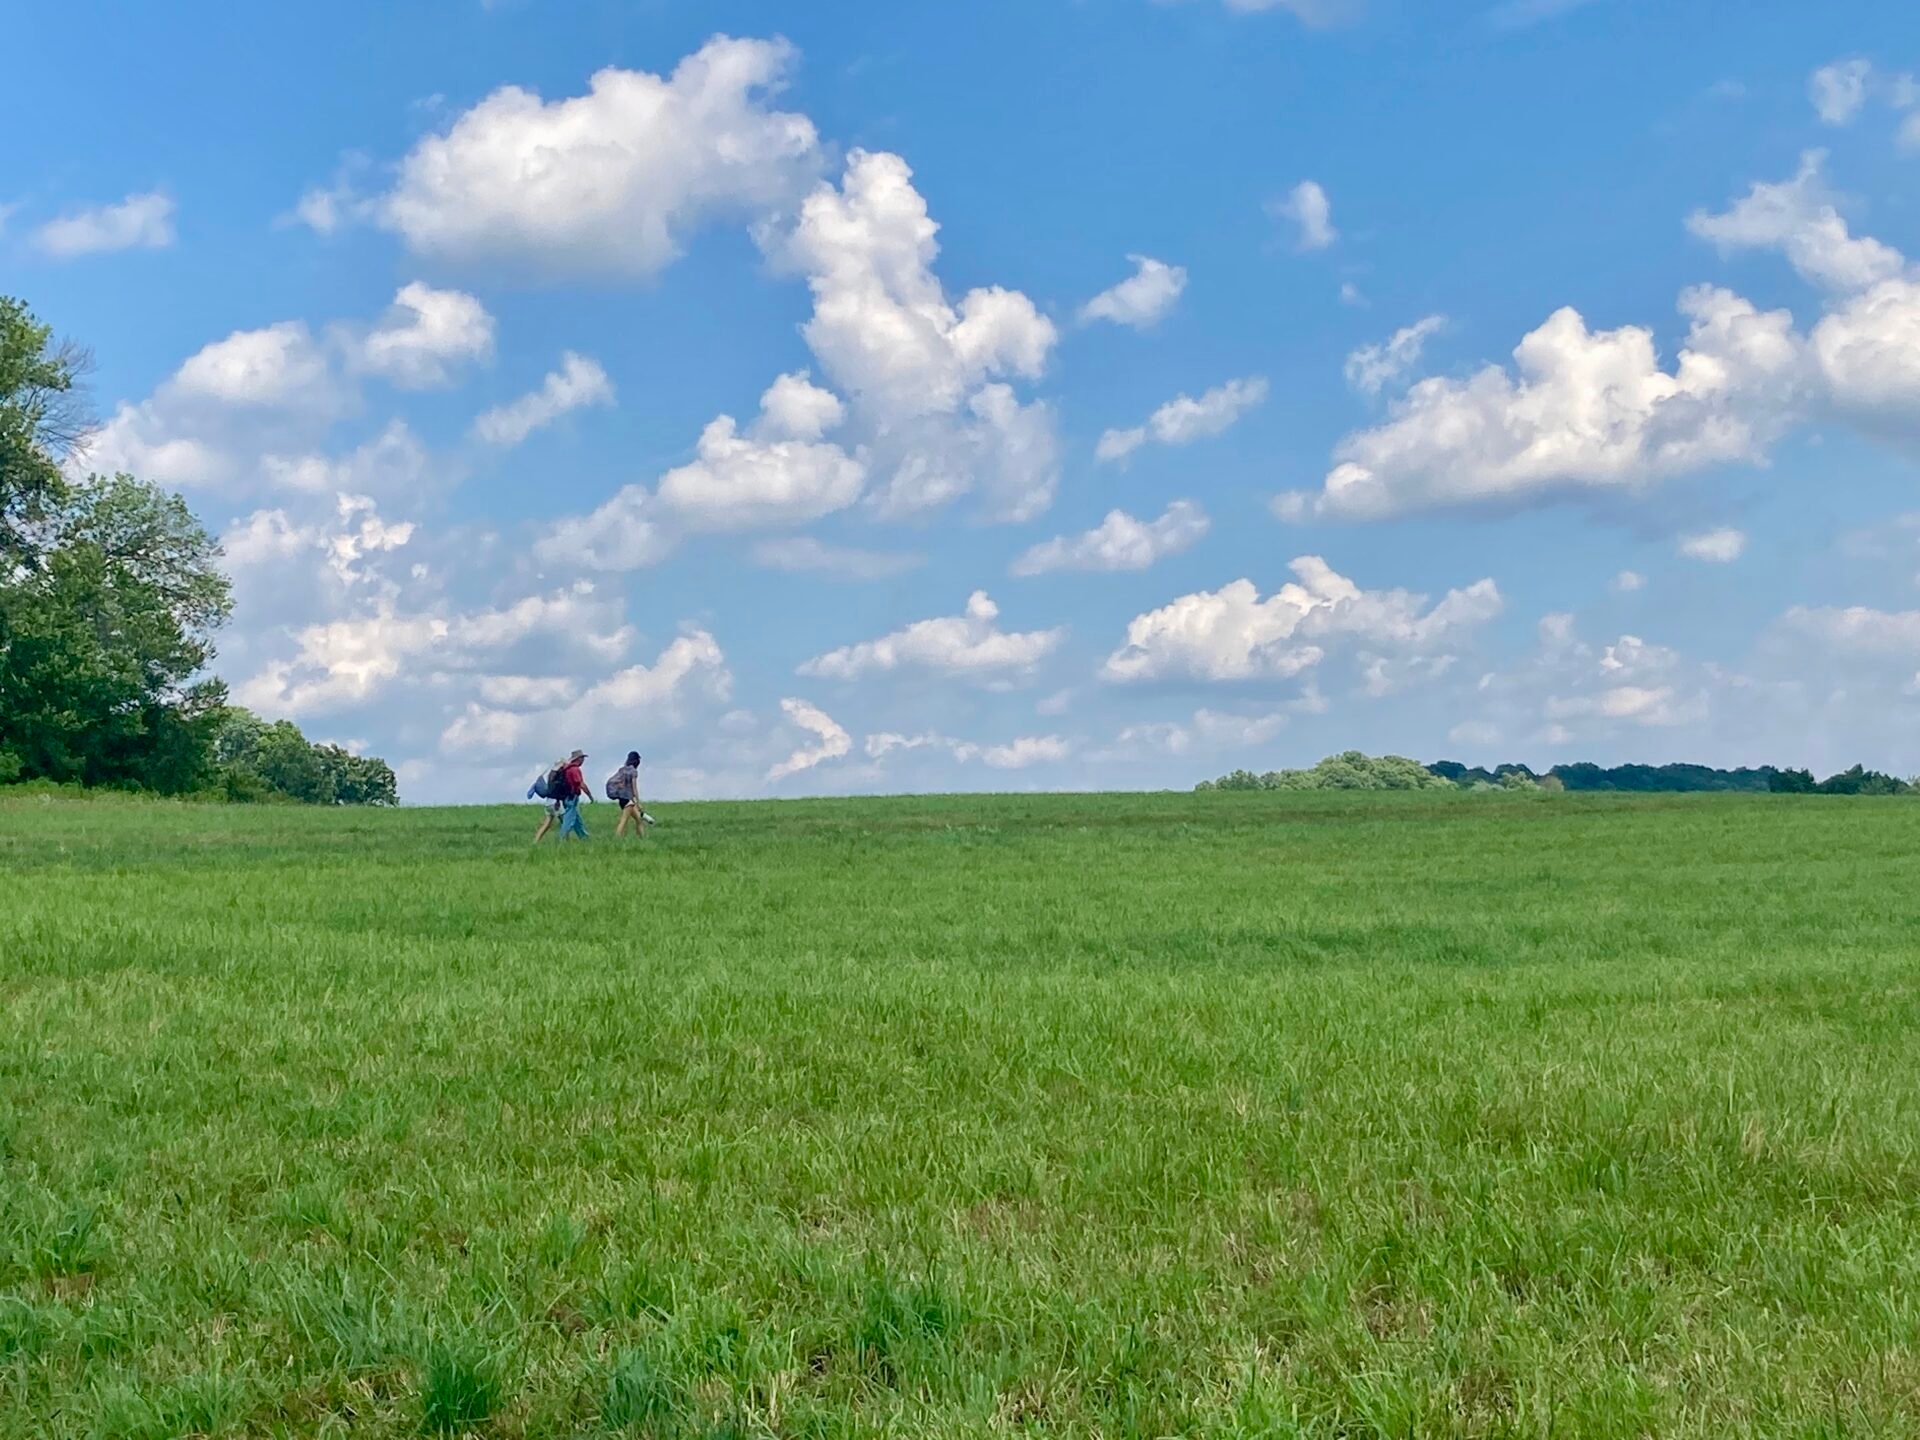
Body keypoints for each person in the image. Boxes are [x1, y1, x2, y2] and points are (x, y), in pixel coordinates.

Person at [533, 749, 593, 843]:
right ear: (578, 759)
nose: (583, 760)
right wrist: (590, 796)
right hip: (567, 798)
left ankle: (584, 838)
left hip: (557, 799)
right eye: (582, 758)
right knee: (568, 821)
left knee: (576, 820)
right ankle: (562, 840)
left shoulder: (562, 771)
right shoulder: (574, 769)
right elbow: (581, 784)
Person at [608, 751, 649, 838]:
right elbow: (634, 788)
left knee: (639, 820)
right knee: (624, 821)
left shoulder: (622, 769)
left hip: (622, 799)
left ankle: (642, 838)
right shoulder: (633, 771)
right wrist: (638, 802)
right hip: (628, 800)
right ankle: (617, 838)